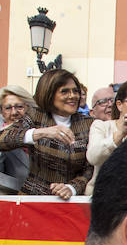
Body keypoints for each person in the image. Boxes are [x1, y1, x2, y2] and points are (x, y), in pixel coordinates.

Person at [0, 68, 93, 199]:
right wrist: (39, 133)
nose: (73, 96)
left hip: (72, 202)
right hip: (34, 201)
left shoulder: (88, 123)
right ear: (49, 93)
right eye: (64, 91)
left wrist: (72, 188)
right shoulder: (35, 116)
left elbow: (92, 168)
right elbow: (3, 139)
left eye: (75, 91)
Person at [85, 79, 127, 196]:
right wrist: (120, 133)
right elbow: (93, 157)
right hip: (102, 198)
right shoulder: (102, 126)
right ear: (119, 105)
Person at [0, 84, 36, 189]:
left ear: (29, 108)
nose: (14, 112)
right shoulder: (2, 140)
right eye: (8, 108)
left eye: (19, 107)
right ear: (2, 112)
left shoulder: (40, 135)